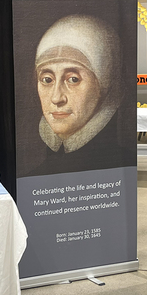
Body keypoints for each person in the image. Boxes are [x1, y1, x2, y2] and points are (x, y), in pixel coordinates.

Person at [29, 14, 127, 175]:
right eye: (47, 79)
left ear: (104, 84)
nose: (56, 98)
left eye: (73, 79)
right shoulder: (35, 176)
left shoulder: (121, 167)